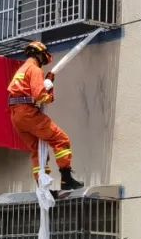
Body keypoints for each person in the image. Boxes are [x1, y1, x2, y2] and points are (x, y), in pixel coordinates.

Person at [7, 41, 84, 190]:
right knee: (61, 140)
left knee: (37, 150)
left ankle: (42, 188)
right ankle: (66, 179)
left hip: (16, 115)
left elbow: (25, 91)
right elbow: (40, 96)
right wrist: (50, 94)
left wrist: (45, 83)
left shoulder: (23, 69)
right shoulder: (34, 69)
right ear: (39, 55)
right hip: (28, 113)